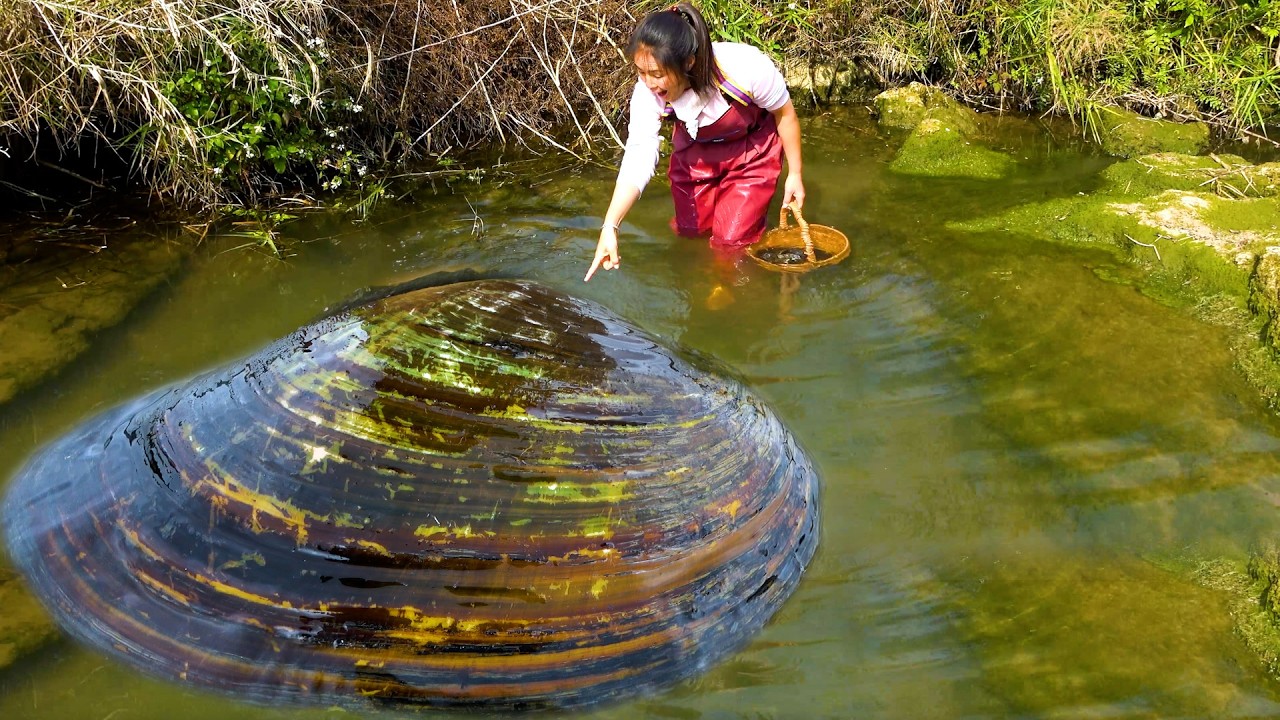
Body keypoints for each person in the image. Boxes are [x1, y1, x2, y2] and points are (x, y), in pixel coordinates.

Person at [584, 2, 805, 282]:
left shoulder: (745, 68)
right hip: (696, 150)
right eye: (641, 72)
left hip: (752, 152)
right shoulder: (646, 94)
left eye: (657, 74)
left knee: (730, 241)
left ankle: (723, 282)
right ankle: (701, 269)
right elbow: (639, 157)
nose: (649, 84)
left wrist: (795, 175)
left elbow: (785, 115)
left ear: (688, 62)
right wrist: (610, 226)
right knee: (691, 229)